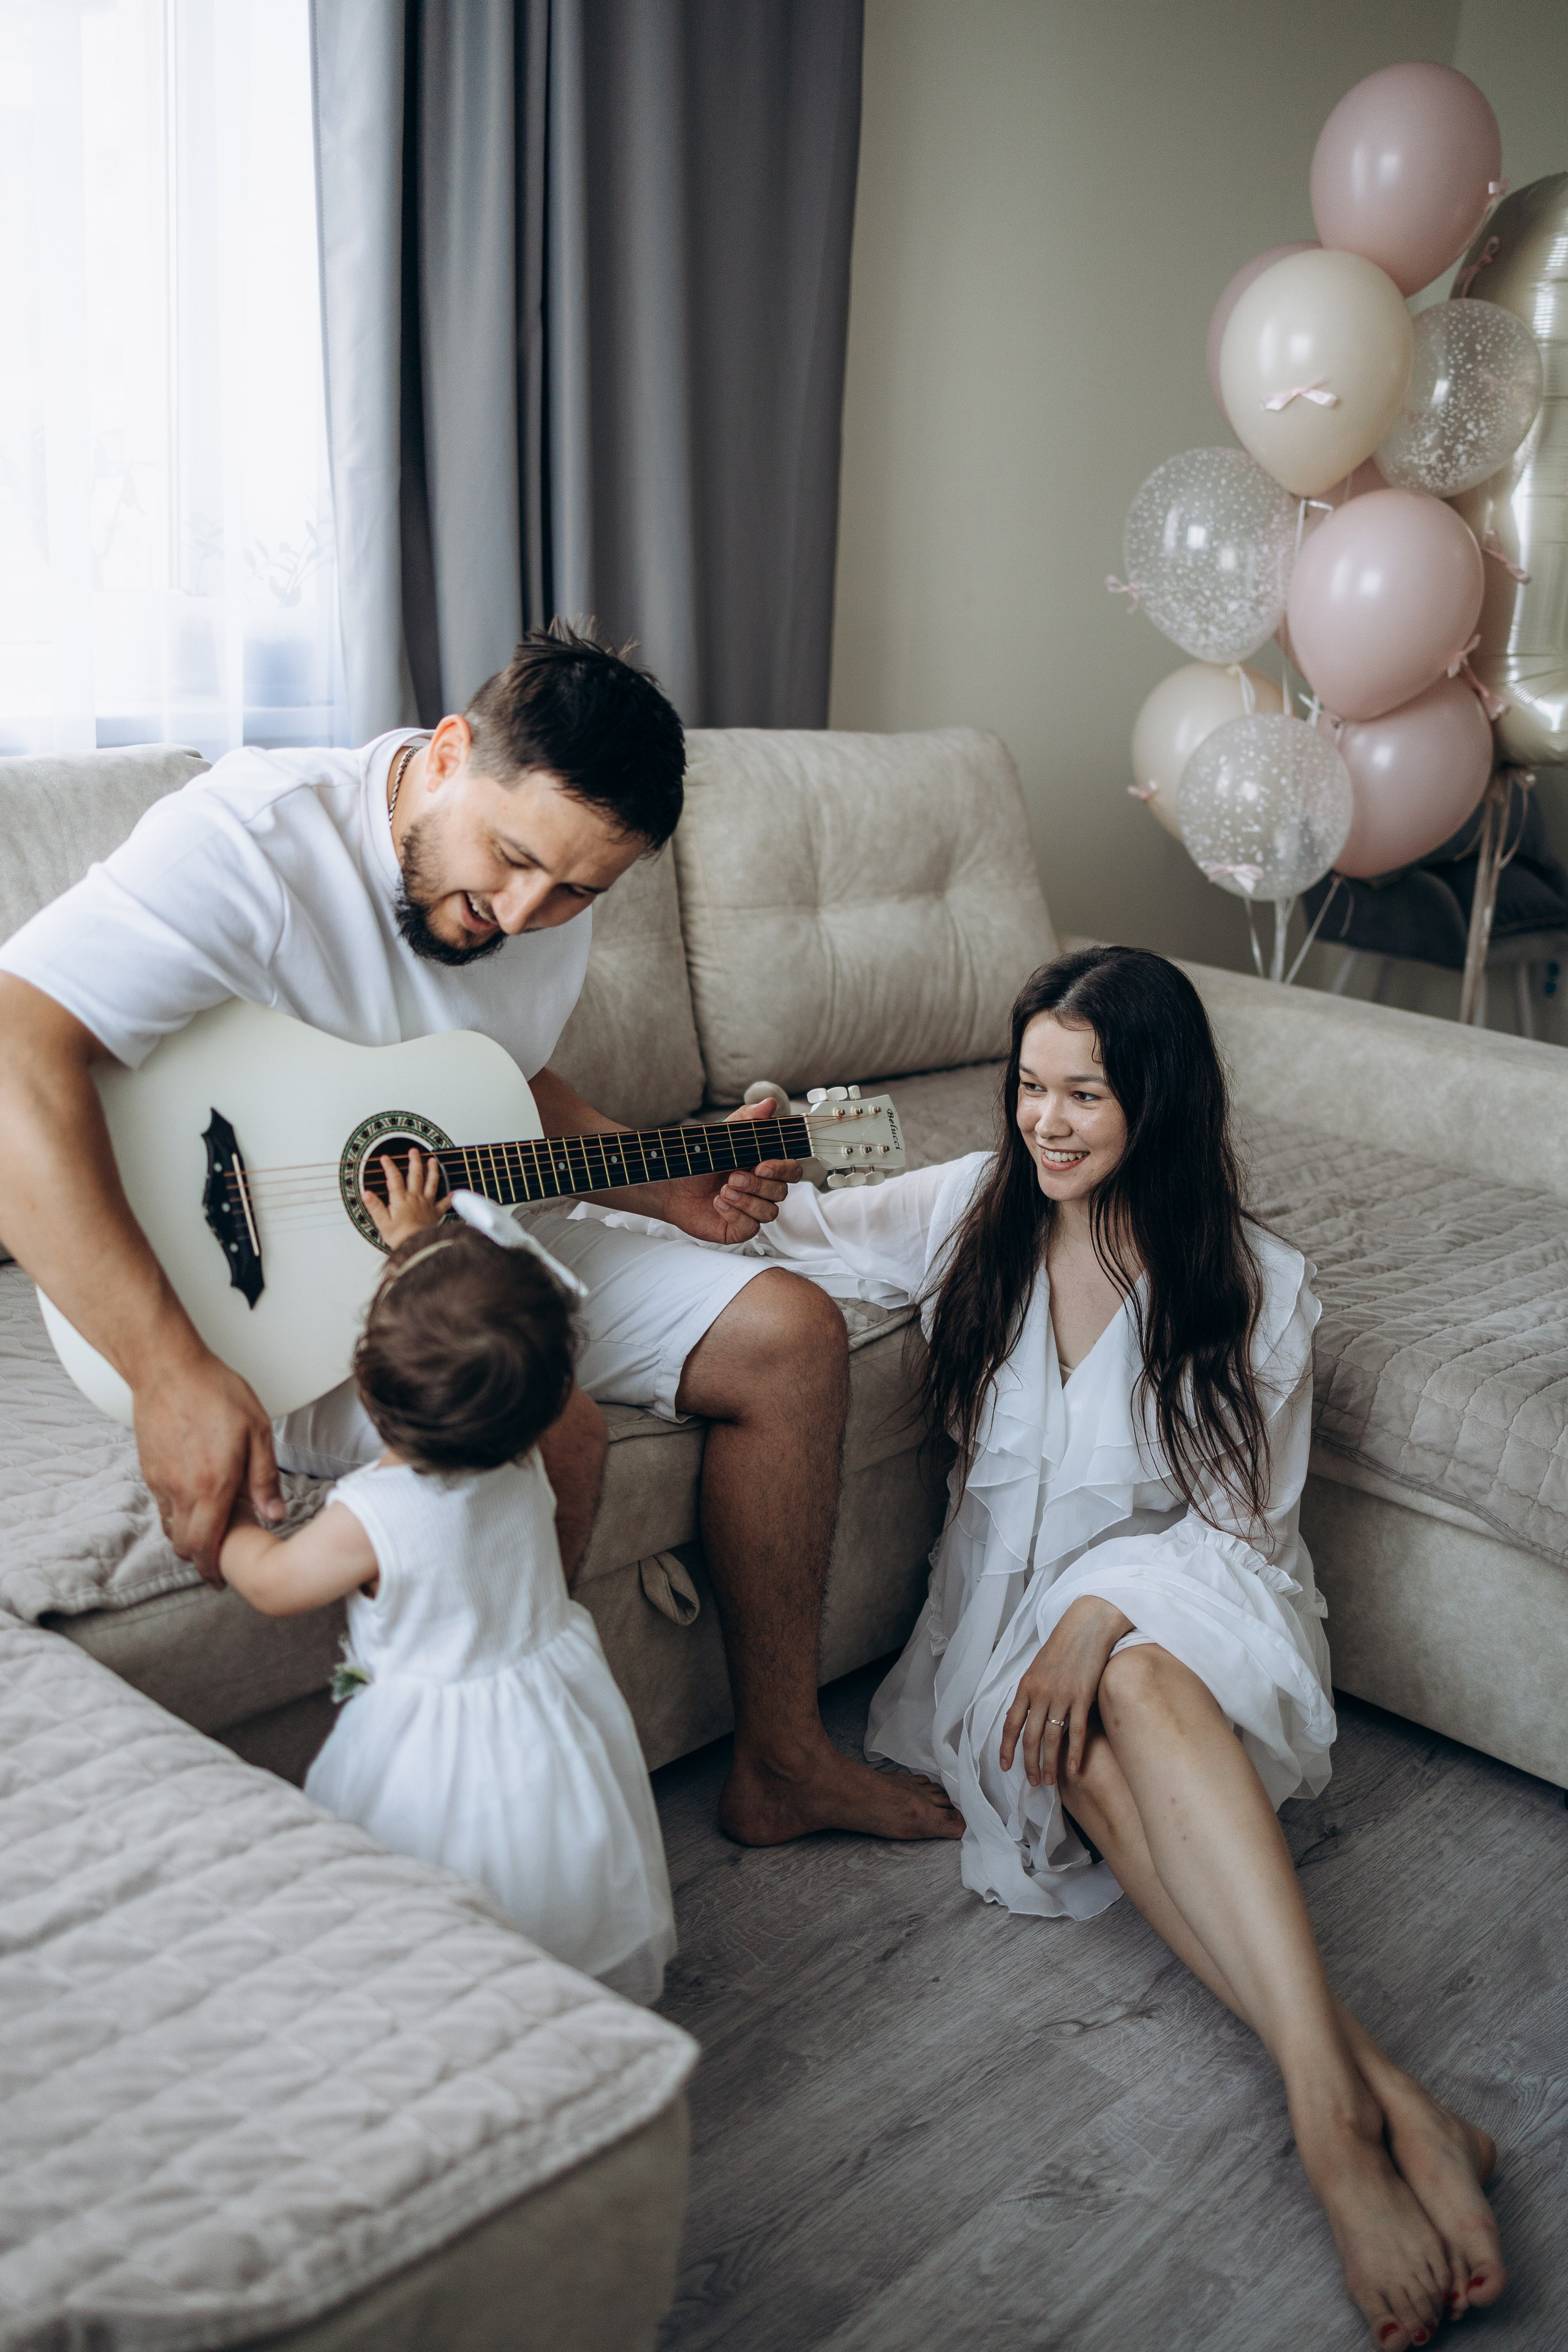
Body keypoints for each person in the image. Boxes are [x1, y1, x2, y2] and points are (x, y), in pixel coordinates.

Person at [0, 623, 956, 1849]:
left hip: (448, 1232)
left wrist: (659, 1183)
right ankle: (493, 1816)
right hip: (240, 1297)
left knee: (788, 1332)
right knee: (539, 1414)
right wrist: (169, 1369)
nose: (519, 914)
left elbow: (486, 1081)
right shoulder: (254, 839)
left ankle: (781, 1761)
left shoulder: (545, 896)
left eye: (573, 891)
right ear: (447, 752)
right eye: (508, 861)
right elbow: (19, 1046)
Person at [742, 946, 1505, 2352]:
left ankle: (1334, 2139)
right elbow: (792, 1231)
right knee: (1074, 1745)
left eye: (1080, 1094)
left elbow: (1245, 1534)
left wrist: (1098, 1613)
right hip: (996, 1655)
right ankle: (1387, 2103)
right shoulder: (977, 1211)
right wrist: (761, 1137)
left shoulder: (1252, 1285)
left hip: (1201, 1623)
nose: (1044, 1123)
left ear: (1154, 1098)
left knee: (1133, 1674)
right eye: (1028, 1088)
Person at [221, 1167, 675, 2001]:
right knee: (548, 1911)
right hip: (548, 1729)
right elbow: (476, 1338)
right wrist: (413, 1245)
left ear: (364, 1384)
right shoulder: (526, 1452)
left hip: (432, 1759)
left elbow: (274, 1583)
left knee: (431, 1941)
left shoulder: (372, 1513)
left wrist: (228, 1523)